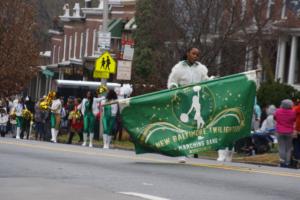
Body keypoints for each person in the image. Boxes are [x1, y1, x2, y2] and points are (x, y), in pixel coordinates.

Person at [167, 47, 211, 163]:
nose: (196, 56)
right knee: (182, 126)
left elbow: (206, 81)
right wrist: (173, 88)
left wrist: (213, 79)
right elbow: (172, 81)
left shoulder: (201, 68)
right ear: (187, 54)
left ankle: (188, 149)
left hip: (196, 99)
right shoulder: (179, 68)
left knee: (193, 126)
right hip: (182, 100)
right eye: (193, 53)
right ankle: (181, 152)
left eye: (197, 54)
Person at [274, 99, 296, 168]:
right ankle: (287, 162)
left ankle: (282, 162)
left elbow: (274, 118)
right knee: (288, 148)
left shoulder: (277, 111)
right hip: (289, 132)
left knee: (281, 147)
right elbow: (294, 120)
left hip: (279, 131)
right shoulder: (293, 112)